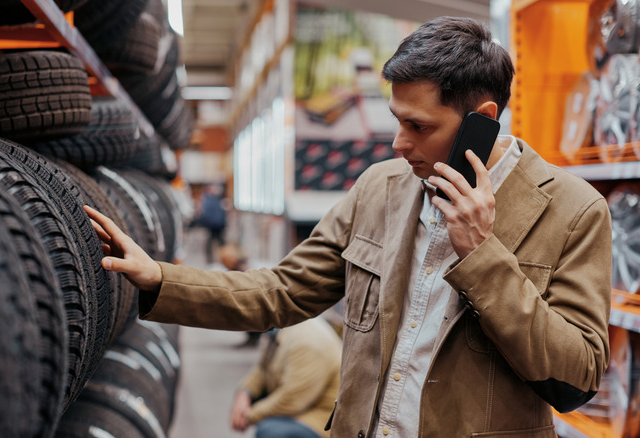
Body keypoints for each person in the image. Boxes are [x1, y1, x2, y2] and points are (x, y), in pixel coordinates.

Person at [84, 16, 612, 438]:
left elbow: (578, 373)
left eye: (418, 126)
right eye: (396, 120)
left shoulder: (573, 211)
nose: (397, 144)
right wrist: (160, 277)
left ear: (483, 117)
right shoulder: (380, 188)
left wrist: (482, 256)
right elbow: (281, 292)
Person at [229, 317, 342, 438]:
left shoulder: (306, 340)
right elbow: (263, 369)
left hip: (322, 419)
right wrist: (245, 392)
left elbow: (292, 400)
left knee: (269, 431)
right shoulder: (281, 329)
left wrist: (248, 416)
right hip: (305, 406)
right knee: (257, 402)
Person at [197, 184, 227, 264]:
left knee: (218, 241)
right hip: (214, 224)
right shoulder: (210, 199)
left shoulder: (214, 199)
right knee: (214, 241)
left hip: (216, 224)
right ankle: (216, 258)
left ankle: (223, 258)